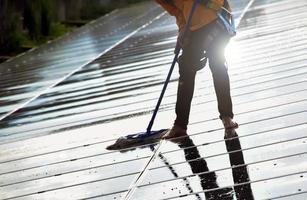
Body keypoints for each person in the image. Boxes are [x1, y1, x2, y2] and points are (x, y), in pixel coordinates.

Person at [155, 0, 238, 139]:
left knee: (217, 63)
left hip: (216, 18)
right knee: (186, 69)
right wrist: (183, 31)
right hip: (194, 29)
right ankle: (180, 125)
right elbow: (178, 12)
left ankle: (227, 117)